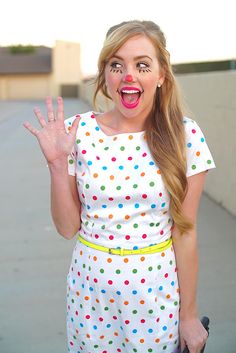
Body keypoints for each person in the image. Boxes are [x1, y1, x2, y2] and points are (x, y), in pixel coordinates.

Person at [23, 20, 216, 353]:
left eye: (142, 65)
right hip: (90, 299)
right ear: (105, 76)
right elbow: (68, 228)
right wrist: (57, 167)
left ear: (161, 75)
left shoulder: (185, 136)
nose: (129, 75)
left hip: (155, 300)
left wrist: (189, 315)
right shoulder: (77, 132)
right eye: (117, 65)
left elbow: (185, 232)